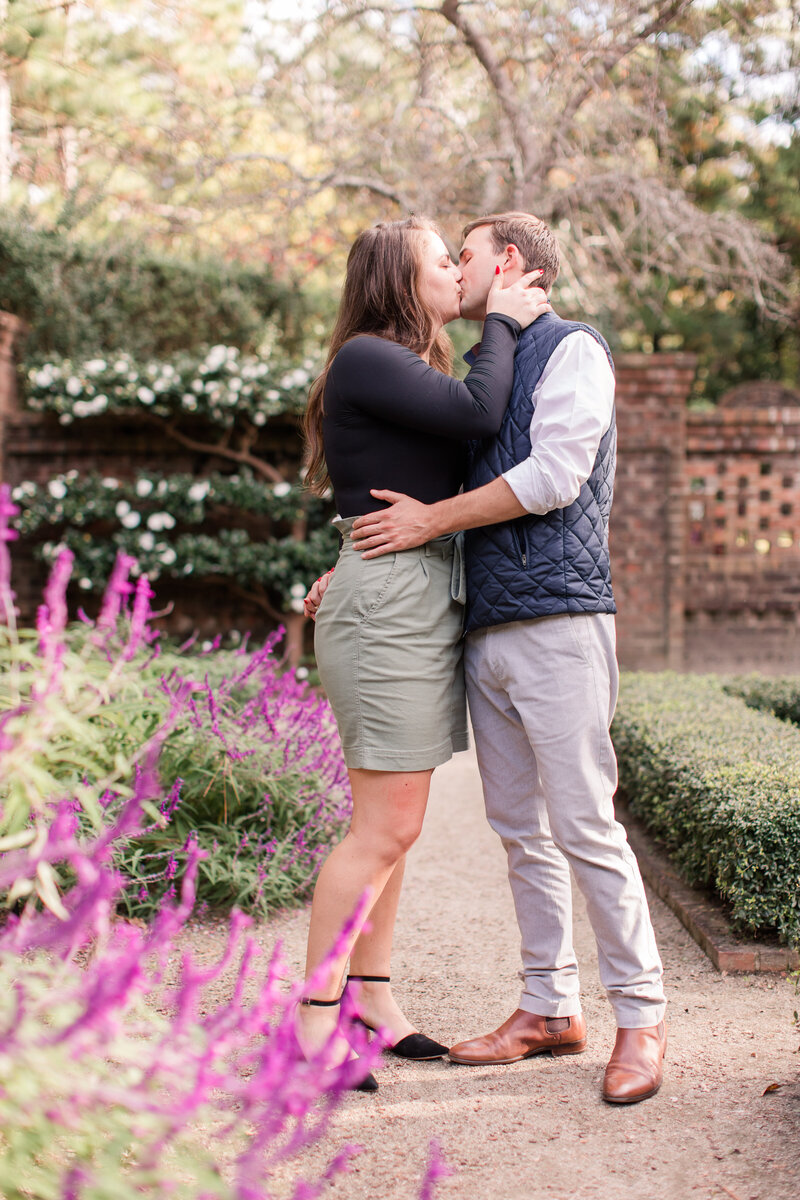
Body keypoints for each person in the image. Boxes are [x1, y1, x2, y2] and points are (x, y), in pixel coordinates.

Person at [326, 211, 668, 1105]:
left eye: (464, 254)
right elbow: (399, 472)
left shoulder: (571, 352)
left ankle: (642, 1016)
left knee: (586, 824)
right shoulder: (478, 363)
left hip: (558, 619)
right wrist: (350, 565)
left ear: (506, 262)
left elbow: (553, 476)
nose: (455, 267)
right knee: (519, 832)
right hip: (481, 624)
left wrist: (430, 523)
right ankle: (550, 1006)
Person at [298, 215, 549, 1090]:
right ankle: (311, 1029)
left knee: (392, 829)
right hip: (391, 604)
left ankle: (371, 1003)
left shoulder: (405, 364)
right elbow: (482, 412)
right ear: (399, 279)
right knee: (387, 827)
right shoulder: (370, 354)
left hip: (412, 595)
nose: (454, 270)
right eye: (440, 260)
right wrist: (506, 322)